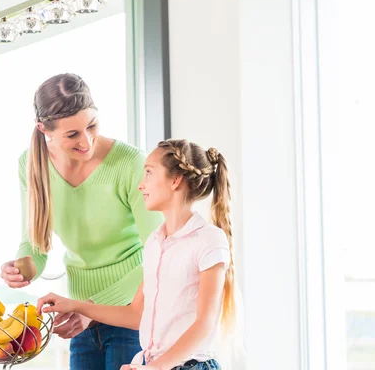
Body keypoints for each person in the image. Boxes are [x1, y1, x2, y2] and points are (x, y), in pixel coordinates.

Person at [0, 73, 164, 370]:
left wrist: (91, 309)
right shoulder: (31, 165)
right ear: (44, 129)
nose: (86, 141)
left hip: (132, 314)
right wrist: (21, 268)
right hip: (80, 319)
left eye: (92, 126)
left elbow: (159, 252)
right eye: (72, 134)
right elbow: (35, 243)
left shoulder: (130, 163)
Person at [37, 139, 237, 370]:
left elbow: (205, 323)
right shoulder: (154, 242)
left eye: (149, 173)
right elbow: (135, 313)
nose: (141, 185)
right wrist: (75, 305)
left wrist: (155, 368)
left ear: (175, 180)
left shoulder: (209, 240)